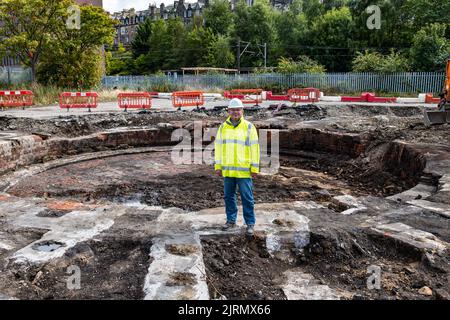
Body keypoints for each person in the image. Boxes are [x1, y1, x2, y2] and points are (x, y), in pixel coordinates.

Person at [214, 98, 260, 236]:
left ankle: (250, 223)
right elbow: (218, 147)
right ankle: (231, 220)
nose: (236, 112)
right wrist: (218, 166)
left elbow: (254, 148)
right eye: (233, 110)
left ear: (242, 111)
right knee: (229, 197)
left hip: (244, 170)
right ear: (228, 111)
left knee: (247, 197)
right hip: (228, 170)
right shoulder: (223, 127)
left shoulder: (249, 127)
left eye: (238, 109)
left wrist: (255, 168)